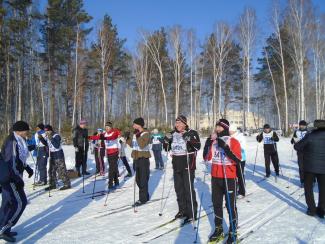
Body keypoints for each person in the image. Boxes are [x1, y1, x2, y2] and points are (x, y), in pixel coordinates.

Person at [203, 119, 242, 243]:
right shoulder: (214, 142)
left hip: (229, 178)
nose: (217, 129)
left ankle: (233, 231)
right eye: (216, 127)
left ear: (225, 128)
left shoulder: (233, 141)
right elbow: (206, 157)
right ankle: (218, 229)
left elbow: (237, 159)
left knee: (230, 205)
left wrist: (225, 147)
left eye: (219, 127)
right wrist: (208, 144)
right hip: (216, 178)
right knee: (216, 204)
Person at [0, 121, 34, 242]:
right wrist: (17, 179)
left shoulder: (19, 140)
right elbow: (11, 163)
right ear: (19, 131)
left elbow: (20, 159)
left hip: (10, 176)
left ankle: (4, 228)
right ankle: (3, 228)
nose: (27, 133)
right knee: (20, 203)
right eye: (26, 131)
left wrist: (27, 168)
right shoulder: (12, 142)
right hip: (10, 178)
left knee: (7, 203)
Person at [163, 115, 201, 224]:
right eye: (176, 123)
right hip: (176, 164)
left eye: (179, 123)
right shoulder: (172, 133)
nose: (177, 125)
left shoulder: (192, 132)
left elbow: (197, 146)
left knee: (188, 189)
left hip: (188, 164)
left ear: (185, 123)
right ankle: (182, 210)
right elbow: (166, 148)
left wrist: (188, 138)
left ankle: (192, 212)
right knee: (179, 189)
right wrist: (166, 141)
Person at [294, 120, 325, 219]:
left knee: (308, 189)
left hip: (309, 167)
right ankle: (321, 209)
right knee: (323, 189)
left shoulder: (310, 136)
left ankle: (311, 209)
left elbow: (297, 146)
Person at [126, 117, 151, 206]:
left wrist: (137, 135)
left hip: (143, 158)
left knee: (143, 179)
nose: (133, 125)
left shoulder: (146, 133)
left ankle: (142, 199)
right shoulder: (135, 134)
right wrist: (127, 138)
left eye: (134, 124)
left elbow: (142, 145)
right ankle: (145, 195)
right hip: (136, 158)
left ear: (139, 125)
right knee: (138, 179)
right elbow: (133, 145)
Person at [41, 125, 71, 191]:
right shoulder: (48, 136)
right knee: (51, 170)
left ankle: (67, 184)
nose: (46, 132)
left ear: (51, 130)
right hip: (52, 154)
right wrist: (41, 139)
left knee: (61, 169)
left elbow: (56, 146)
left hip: (58, 154)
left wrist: (50, 137)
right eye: (45, 131)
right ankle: (52, 184)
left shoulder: (56, 136)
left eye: (48, 131)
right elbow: (47, 144)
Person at [93, 121, 121, 189]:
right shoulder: (105, 134)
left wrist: (120, 151)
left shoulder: (114, 133)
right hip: (108, 153)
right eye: (106, 127)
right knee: (113, 167)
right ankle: (116, 181)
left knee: (111, 168)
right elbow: (100, 141)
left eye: (108, 127)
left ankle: (110, 183)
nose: (107, 128)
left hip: (114, 152)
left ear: (111, 127)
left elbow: (115, 139)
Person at [229, 125, 246, 196]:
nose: (229, 132)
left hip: (240, 158)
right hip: (231, 159)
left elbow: (243, 147)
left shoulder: (240, 137)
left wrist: (234, 149)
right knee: (233, 175)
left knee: (240, 174)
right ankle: (234, 189)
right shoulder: (229, 137)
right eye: (229, 131)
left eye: (230, 131)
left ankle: (242, 191)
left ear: (234, 130)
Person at [291, 120, 308, 186]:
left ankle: (312, 180)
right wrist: (293, 140)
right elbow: (292, 141)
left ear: (305, 126)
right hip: (300, 151)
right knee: (301, 167)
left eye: (303, 125)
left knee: (308, 167)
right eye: (301, 125)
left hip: (308, 152)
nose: (302, 126)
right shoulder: (296, 132)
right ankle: (302, 181)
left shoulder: (308, 132)